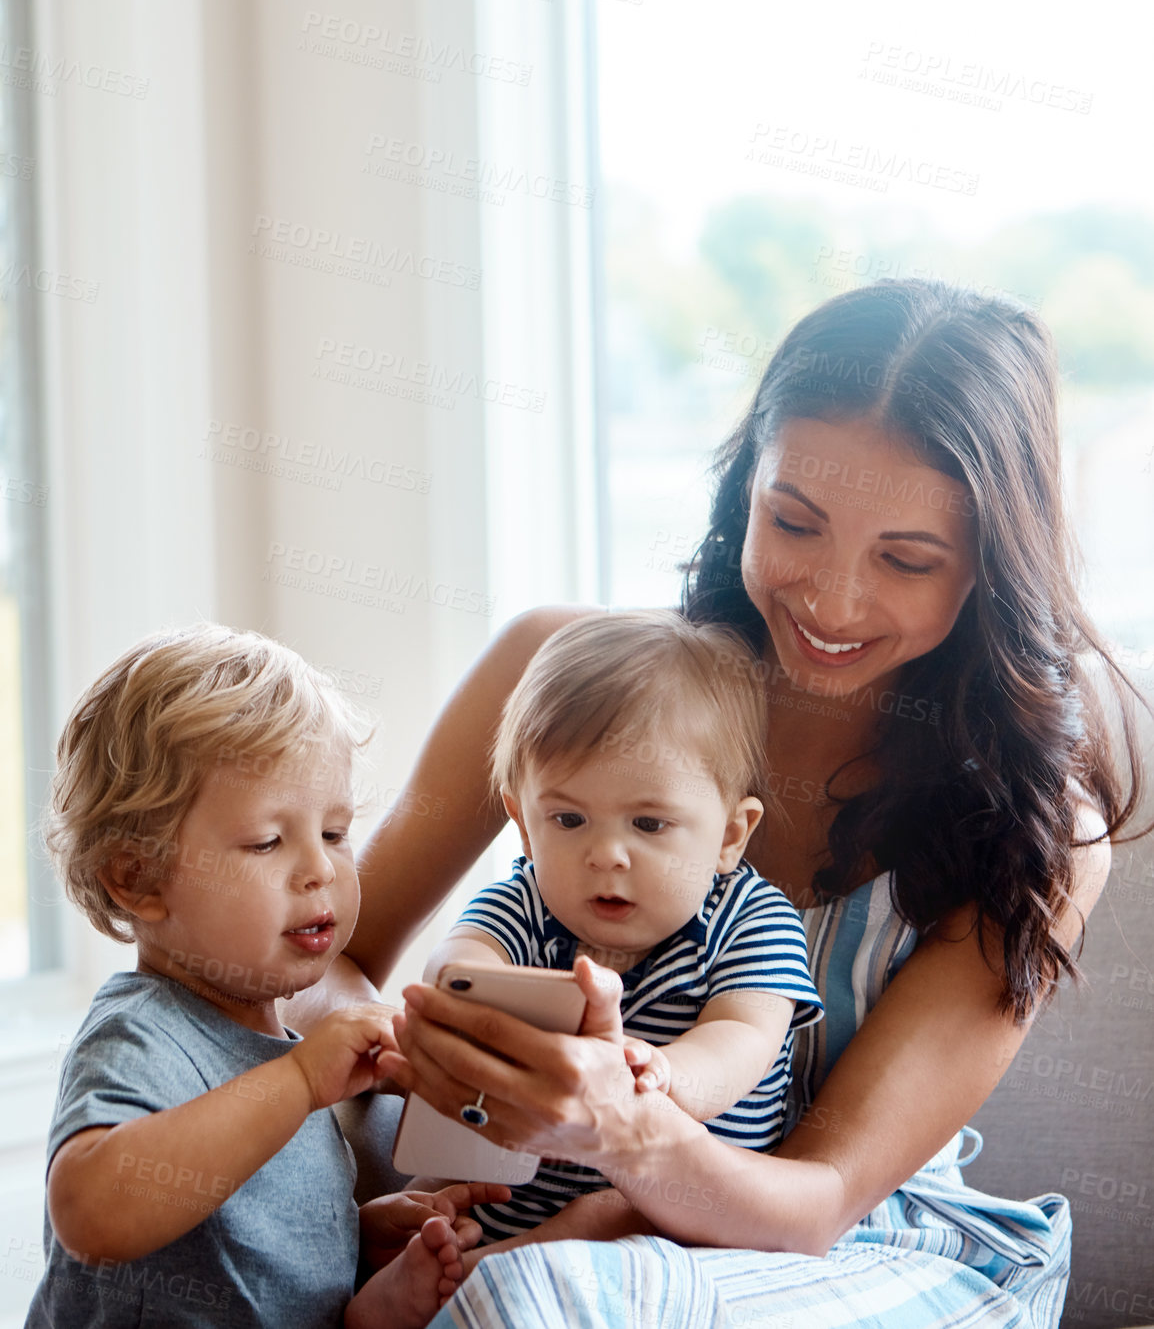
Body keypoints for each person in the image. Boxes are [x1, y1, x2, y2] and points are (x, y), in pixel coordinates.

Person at [296, 279, 1147, 1328]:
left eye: (906, 559)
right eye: (794, 520)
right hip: (524, 1213)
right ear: (745, 484)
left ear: (988, 564)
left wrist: (624, 1141)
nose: (832, 602)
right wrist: (399, 1053)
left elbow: (819, 1197)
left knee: (528, 1301)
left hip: (842, 1246)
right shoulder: (556, 669)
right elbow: (329, 957)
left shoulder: (1031, 835)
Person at [27, 624, 507, 1329]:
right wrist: (301, 1082)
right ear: (137, 878)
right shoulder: (147, 1031)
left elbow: (239, 1244)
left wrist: (358, 1239)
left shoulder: (284, 1047)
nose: (320, 869)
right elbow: (91, 1213)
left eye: (336, 833)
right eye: (266, 842)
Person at [420, 610, 822, 1241]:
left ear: (730, 835)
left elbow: (745, 1035)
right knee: (419, 1212)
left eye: (649, 825)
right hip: (503, 1206)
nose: (606, 854)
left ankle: (485, 1272)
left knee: (616, 1218)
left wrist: (659, 1073)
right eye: (569, 821)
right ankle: (444, 1270)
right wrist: (470, 992)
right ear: (523, 825)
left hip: (672, 1220)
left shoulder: (753, 919)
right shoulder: (523, 904)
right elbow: (458, 964)